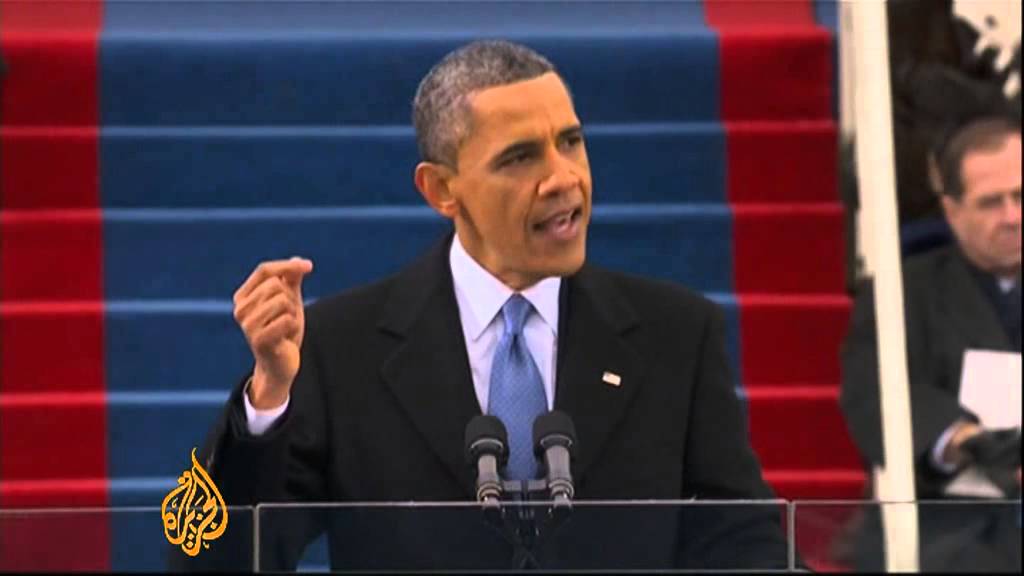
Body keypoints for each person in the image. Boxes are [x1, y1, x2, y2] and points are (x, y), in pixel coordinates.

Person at [181, 40, 786, 571]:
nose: (563, 178)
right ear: (442, 189)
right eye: (520, 157)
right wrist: (266, 401)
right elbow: (200, 553)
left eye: (570, 142)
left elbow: (745, 543)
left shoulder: (675, 334)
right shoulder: (340, 348)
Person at [839, 114, 1021, 572]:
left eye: (1021, 196)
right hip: (949, 525)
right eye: (991, 203)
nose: (1012, 217)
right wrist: (968, 439)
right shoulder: (902, 292)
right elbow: (873, 396)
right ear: (952, 210)